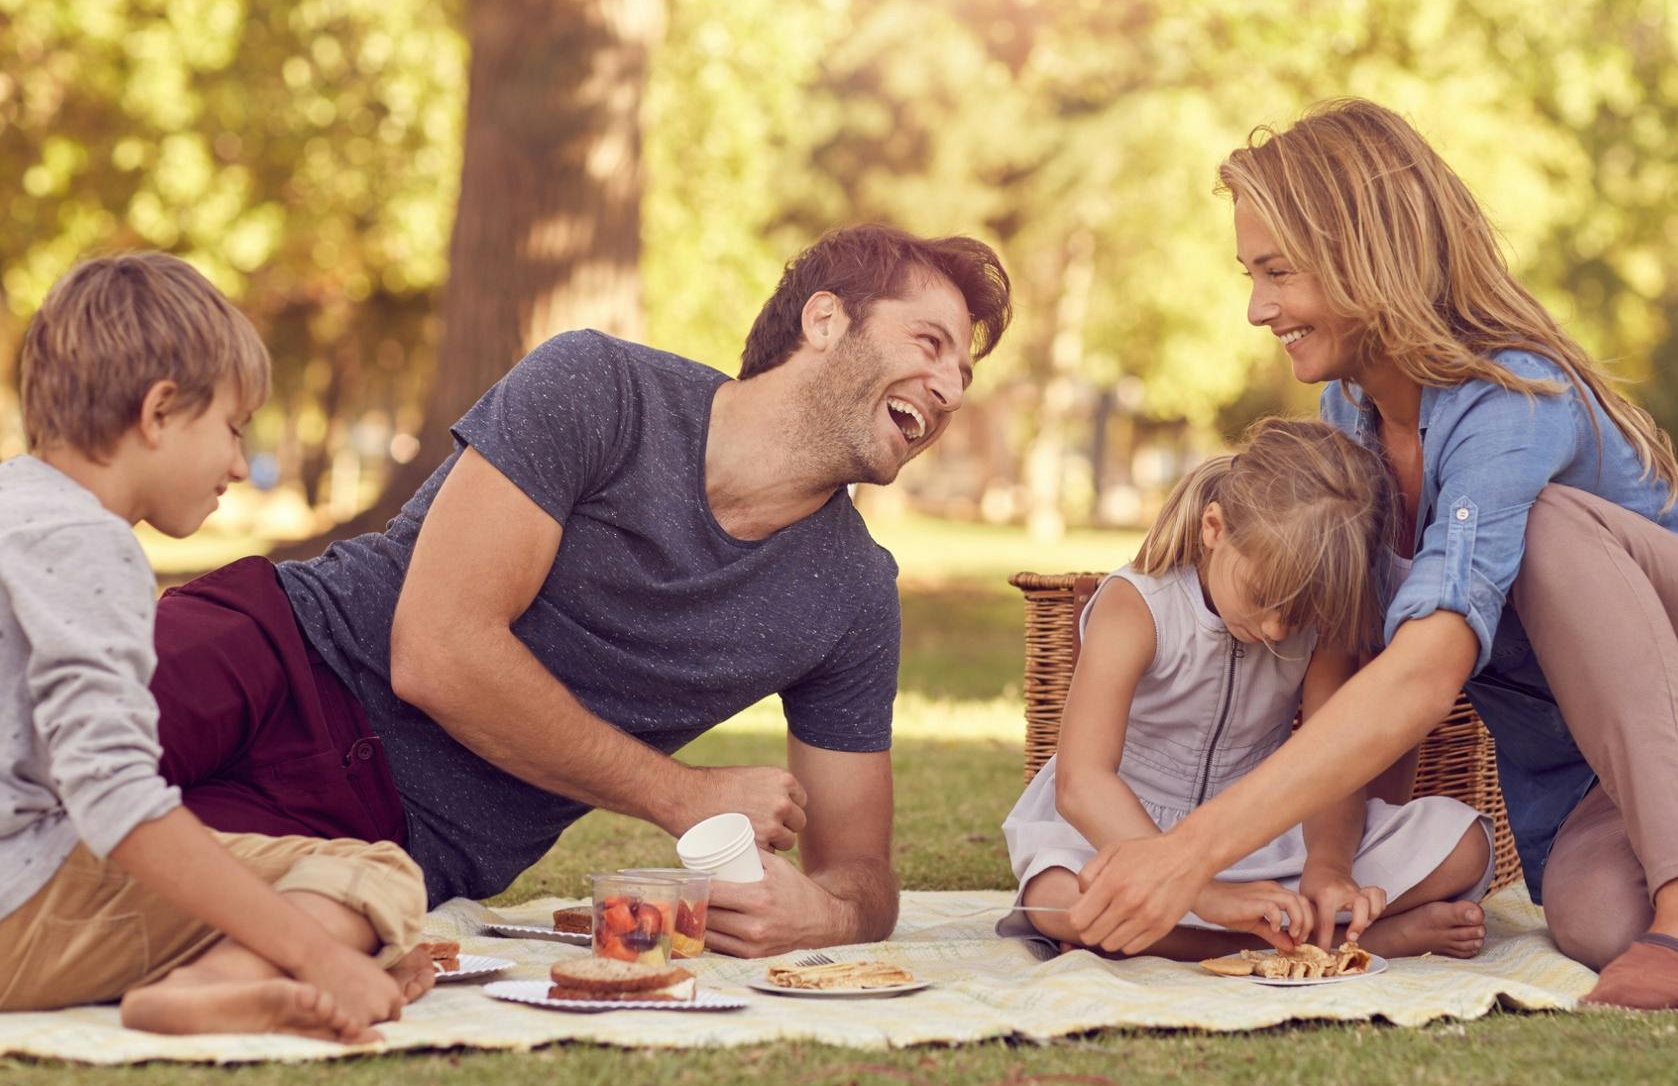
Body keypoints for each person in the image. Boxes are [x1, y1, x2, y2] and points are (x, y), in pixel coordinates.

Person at [1065, 99, 1678, 1008]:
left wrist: (1186, 850)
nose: (1259, 308)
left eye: (1278, 272)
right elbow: (1358, 663)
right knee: (1591, 915)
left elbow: (1427, 670)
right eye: (1251, 276)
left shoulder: (1513, 396)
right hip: (1618, 786)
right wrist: (1337, 865)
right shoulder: (1347, 423)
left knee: (1552, 527)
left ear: (1364, 256)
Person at [145, 224, 1012, 957]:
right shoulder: (600, 388)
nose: (947, 390)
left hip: (391, 838)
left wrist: (822, 914)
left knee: (100, 900)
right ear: (826, 320)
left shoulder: (854, 596)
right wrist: (685, 796)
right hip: (284, 652)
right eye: (928, 344)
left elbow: (861, 871)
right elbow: (436, 651)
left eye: (963, 377)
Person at [0, 254, 430, 1040]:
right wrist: (321, 953)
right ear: (159, 411)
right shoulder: (87, 543)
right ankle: (209, 987)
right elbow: (117, 795)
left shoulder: (14, 508)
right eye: (230, 428)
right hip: (18, 915)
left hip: (28, 879)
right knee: (376, 869)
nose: (237, 463)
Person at [999, 418, 1492, 961]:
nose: (1278, 630)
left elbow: (1334, 768)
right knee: (1060, 900)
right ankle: (1351, 943)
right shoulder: (1136, 606)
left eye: (1298, 612)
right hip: (1118, 832)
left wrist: (1329, 869)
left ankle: (1244, 936)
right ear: (1214, 528)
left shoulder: (1319, 627)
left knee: (1463, 844)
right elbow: (1081, 782)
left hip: (1263, 835)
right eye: (1262, 595)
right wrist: (1202, 892)